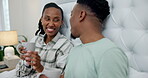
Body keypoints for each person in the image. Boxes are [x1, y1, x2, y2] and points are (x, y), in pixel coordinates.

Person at [64, 0, 129, 78]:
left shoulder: (109, 53)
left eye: (72, 14)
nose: (70, 20)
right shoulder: (74, 51)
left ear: (81, 15)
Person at [15, 2, 73, 78]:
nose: (51, 24)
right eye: (47, 19)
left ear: (61, 23)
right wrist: (27, 62)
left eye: (56, 20)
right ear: (41, 20)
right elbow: (19, 73)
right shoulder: (35, 40)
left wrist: (40, 68)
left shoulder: (65, 46)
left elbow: (60, 76)